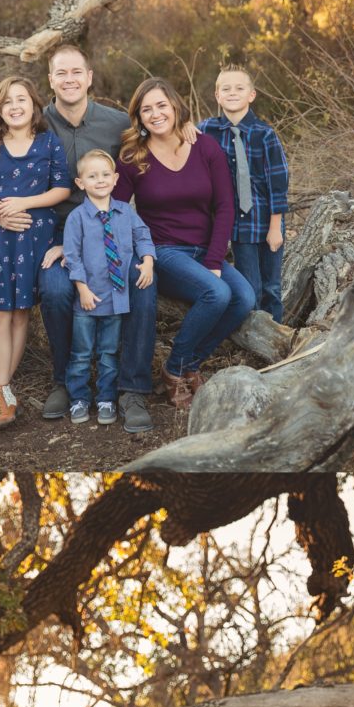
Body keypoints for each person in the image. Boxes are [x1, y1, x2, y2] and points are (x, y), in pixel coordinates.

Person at [38, 43, 159, 435]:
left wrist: (190, 126)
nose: (70, 79)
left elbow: (157, 133)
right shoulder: (38, 124)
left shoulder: (115, 122)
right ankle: (64, 380)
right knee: (57, 290)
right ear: (51, 80)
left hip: (112, 229)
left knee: (142, 287)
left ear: (90, 77)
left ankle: (131, 389)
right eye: (61, 73)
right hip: (58, 232)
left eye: (77, 72)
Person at [114, 78, 256, 410]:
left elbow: (225, 207)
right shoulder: (134, 156)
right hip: (162, 250)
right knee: (216, 293)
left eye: (161, 105)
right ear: (139, 117)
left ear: (176, 106)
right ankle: (174, 371)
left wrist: (215, 260)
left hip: (205, 249)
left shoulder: (205, 147)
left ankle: (187, 362)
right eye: (146, 109)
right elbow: (118, 212)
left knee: (244, 298)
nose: (155, 113)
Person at [0, 76, 70, 430]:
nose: (15, 107)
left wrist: (25, 202)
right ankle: (3, 391)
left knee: (21, 312)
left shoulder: (48, 143)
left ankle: (1, 393)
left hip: (33, 237)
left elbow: (62, 188)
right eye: (8, 102)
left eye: (22, 99)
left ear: (34, 105)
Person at [61, 149, 156, 425]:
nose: (100, 180)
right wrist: (81, 289)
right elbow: (72, 256)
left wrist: (148, 261)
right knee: (80, 353)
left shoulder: (126, 211)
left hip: (117, 298)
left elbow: (142, 235)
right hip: (88, 299)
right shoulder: (77, 218)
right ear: (81, 183)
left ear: (115, 179)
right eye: (92, 176)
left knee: (109, 353)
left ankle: (105, 399)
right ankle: (78, 398)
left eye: (105, 175)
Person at [199, 65, 290, 322]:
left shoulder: (265, 135)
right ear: (217, 95)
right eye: (225, 89)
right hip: (238, 225)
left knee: (271, 286)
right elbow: (181, 137)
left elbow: (278, 184)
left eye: (239, 88)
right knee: (251, 285)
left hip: (266, 219)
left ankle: (275, 331)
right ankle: (253, 331)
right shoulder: (208, 131)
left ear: (252, 95)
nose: (232, 93)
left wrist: (275, 227)